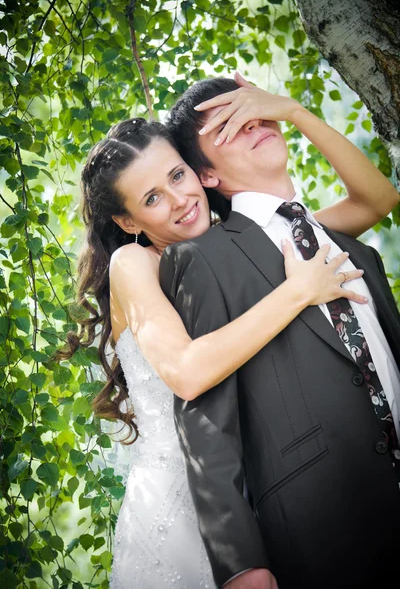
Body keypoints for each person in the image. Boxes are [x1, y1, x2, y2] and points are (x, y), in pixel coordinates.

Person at [59, 93, 392, 588]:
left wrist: (295, 113)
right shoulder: (135, 264)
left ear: (197, 173)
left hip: (259, 484)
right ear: (128, 223)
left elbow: (377, 202)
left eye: (177, 176)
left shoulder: (234, 250)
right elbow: (189, 373)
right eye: (151, 198)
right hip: (186, 499)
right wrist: (297, 291)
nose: (178, 200)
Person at [159, 72, 400, 589]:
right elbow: (206, 422)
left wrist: (293, 110)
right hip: (325, 528)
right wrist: (240, 563)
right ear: (206, 175)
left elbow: (381, 197)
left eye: (255, 108)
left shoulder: (353, 249)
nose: (252, 122)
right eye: (227, 123)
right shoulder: (206, 259)